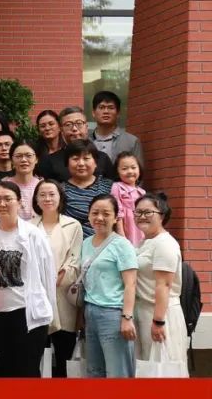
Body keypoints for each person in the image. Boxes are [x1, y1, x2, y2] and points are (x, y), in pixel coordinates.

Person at [0, 181, 56, 377]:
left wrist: (49, 311)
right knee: (4, 371)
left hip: (27, 312)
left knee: (27, 371)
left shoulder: (33, 235)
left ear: (20, 202)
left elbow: (48, 275)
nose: (2, 204)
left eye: (8, 199)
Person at [30, 179, 84, 377]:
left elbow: (75, 259)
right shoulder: (28, 226)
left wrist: (58, 278)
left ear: (60, 197)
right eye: (42, 195)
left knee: (64, 354)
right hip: (36, 297)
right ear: (36, 199)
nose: (47, 198)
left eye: (52, 194)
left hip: (63, 296)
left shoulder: (73, 225)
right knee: (36, 355)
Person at [80, 194, 138, 378]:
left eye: (106, 213)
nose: (99, 218)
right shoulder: (86, 243)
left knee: (117, 371)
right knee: (94, 370)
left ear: (115, 218)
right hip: (90, 311)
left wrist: (127, 317)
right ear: (89, 215)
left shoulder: (122, 245)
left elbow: (131, 283)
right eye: (95, 213)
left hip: (113, 314)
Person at [132, 193, 188, 376]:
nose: (142, 216)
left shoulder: (165, 244)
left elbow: (163, 285)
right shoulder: (144, 242)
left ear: (162, 215)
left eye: (148, 212)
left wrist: (158, 321)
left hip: (160, 314)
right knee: (147, 369)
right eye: (138, 212)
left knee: (162, 369)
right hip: (143, 312)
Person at [39, 107, 113, 182]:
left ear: (86, 127)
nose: (74, 129)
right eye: (68, 125)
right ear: (61, 130)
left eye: (79, 123)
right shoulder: (50, 161)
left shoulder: (103, 158)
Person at [62, 139, 115, 237]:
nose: (81, 163)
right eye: (75, 159)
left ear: (95, 162)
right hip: (71, 242)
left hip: (105, 242)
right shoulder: (60, 190)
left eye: (86, 158)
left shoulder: (110, 187)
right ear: (67, 163)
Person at [90, 90, 143, 163]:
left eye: (111, 108)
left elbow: (138, 169)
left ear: (118, 113)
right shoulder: (86, 141)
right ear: (93, 113)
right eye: (101, 107)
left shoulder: (131, 142)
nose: (106, 111)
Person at [111, 152, 146, 246]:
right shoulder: (117, 187)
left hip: (140, 229)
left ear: (139, 169)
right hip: (126, 229)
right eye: (124, 168)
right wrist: (121, 236)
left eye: (133, 167)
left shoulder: (142, 192)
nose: (130, 171)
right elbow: (118, 213)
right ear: (117, 171)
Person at [2, 140, 41, 220]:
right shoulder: (3, 186)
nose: (23, 160)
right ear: (11, 160)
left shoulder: (42, 186)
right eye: (18, 156)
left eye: (28, 155)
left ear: (36, 159)